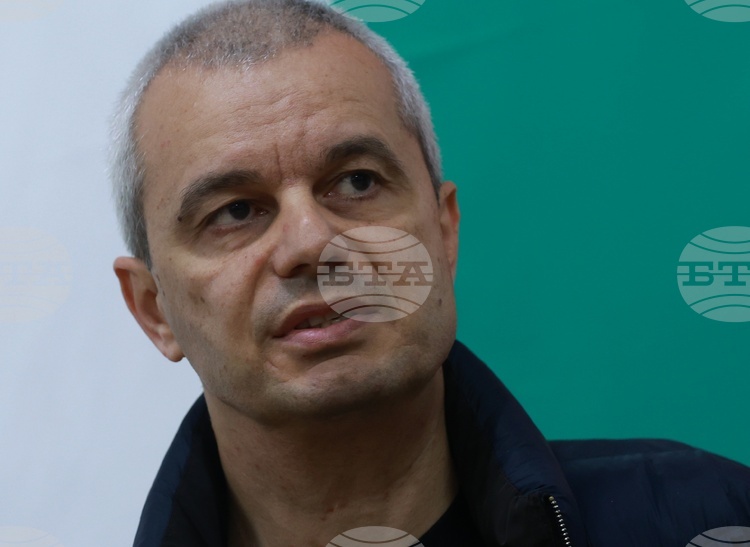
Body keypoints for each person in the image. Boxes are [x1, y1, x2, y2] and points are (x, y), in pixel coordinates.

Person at [110, 1, 750, 546]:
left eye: (357, 182)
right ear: (154, 309)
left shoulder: (713, 518)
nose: (311, 243)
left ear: (444, 233)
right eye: (235, 212)